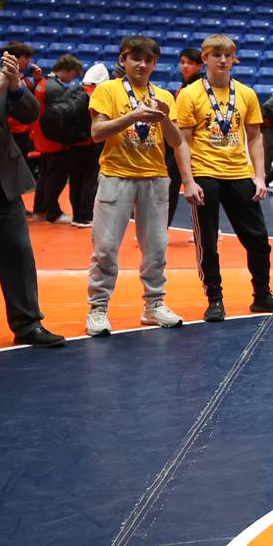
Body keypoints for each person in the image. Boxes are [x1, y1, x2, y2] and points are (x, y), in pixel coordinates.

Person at [173, 34, 273, 322]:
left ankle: (262, 295)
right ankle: (214, 299)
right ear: (205, 59)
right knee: (208, 241)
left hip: (239, 172)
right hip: (205, 173)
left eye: (228, 55)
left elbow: (254, 137)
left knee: (258, 239)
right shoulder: (190, 94)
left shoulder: (246, 94)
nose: (224, 60)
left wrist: (260, 176)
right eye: (217, 55)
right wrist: (188, 181)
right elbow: (183, 141)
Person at [84, 35, 186, 336]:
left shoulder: (164, 96)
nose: (142, 64)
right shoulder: (108, 90)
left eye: (148, 60)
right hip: (116, 174)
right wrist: (133, 116)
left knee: (156, 246)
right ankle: (98, 308)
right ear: (122, 60)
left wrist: (165, 118)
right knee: (105, 247)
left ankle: (154, 305)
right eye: (135, 58)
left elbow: (176, 140)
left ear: (155, 63)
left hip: (155, 177)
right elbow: (97, 132)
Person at [0, 47, 64, 347]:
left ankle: (27, 323)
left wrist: (15, 85)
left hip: (1, 180)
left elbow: (31, 113)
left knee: (18, 252)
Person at [32, 54, 92, 226]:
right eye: (74, 74)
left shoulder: (44, 83)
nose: (73, 79)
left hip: (43, 138)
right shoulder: (54, 88)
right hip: (54, 141)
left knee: (45, 176)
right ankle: (52, 213)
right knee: (56, 178)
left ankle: (40, 209)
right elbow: (59, 117)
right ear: (68, 70)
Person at [167, 47, 205, 223]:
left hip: (191, 144)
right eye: (182, 62)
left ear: (200, 65)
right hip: (181, 141)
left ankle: (163, 227)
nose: (185, 66)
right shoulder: (185, 86)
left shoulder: (198, 87)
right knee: (175, 185)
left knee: (176, 186)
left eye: (190, 63)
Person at [1, 41, 44, 168]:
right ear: (15, 58)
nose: (29, 61)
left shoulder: (25, 79)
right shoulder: (1, 76)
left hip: (23, 130)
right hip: (9, 131)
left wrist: (37, 79)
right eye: (26, 58)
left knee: (21, 166)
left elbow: (32, 101)